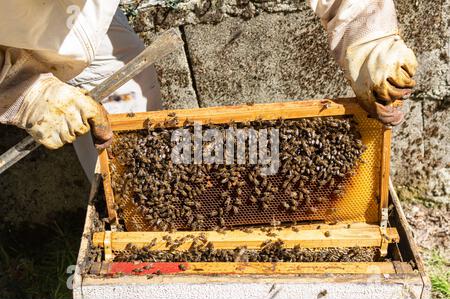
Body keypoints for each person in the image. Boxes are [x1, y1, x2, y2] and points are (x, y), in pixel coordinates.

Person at [0, 0, 417, 181]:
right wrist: (21, 90)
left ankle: (143, 241)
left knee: (129, 117)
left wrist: (370, 38)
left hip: (80, 17)